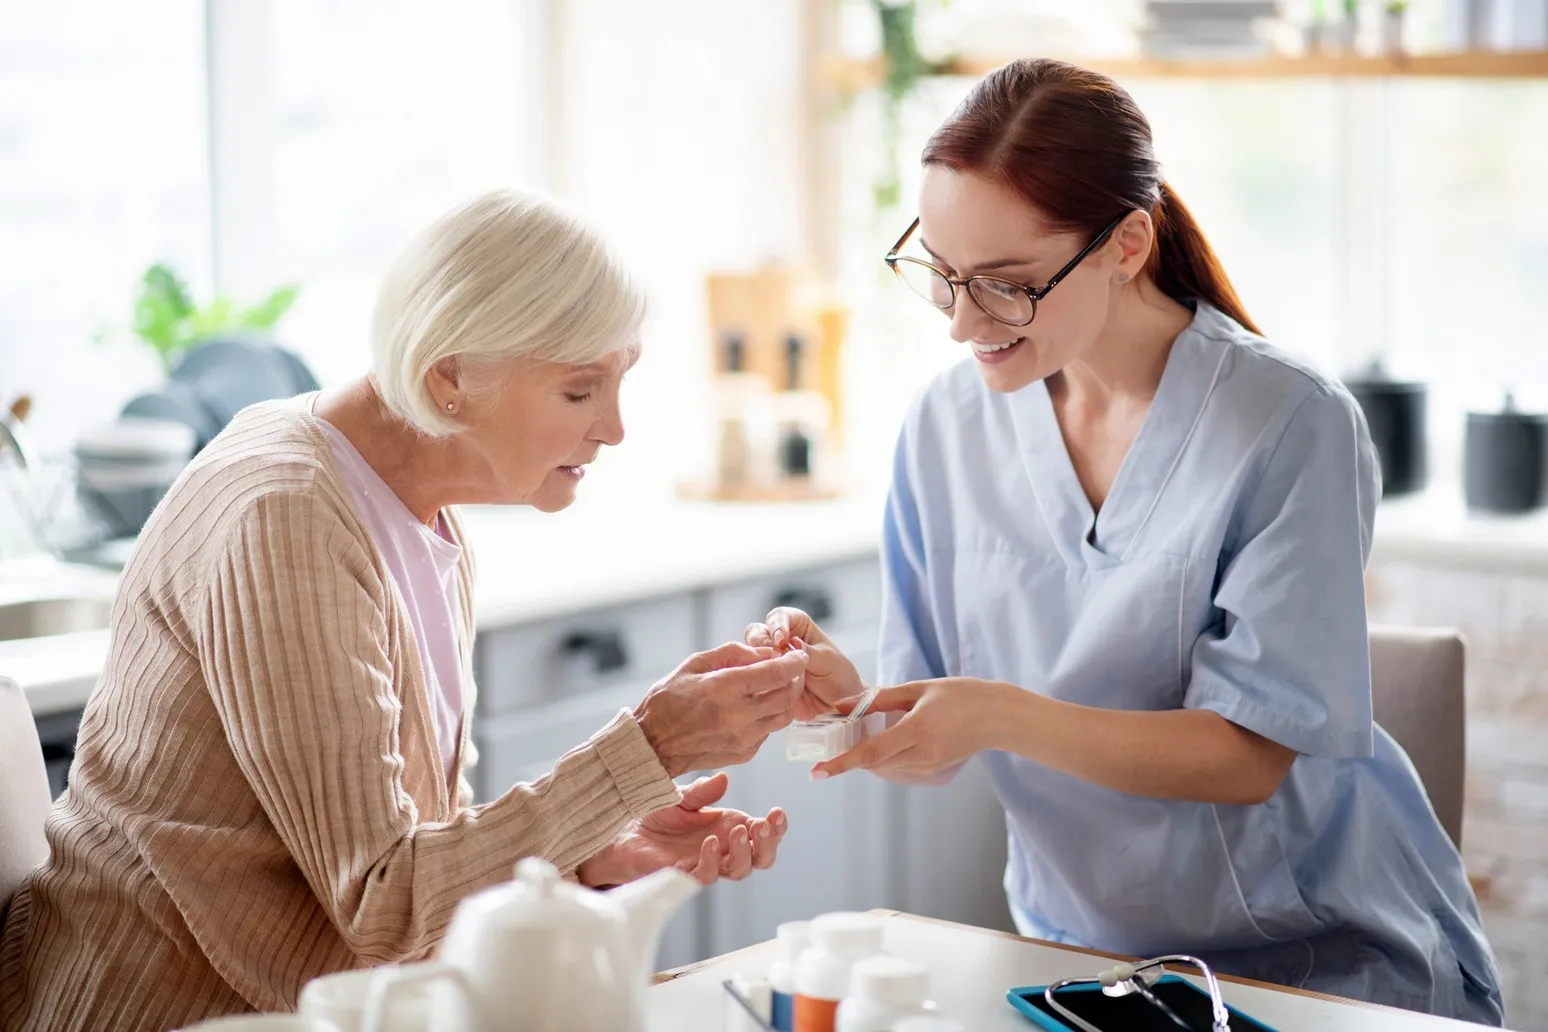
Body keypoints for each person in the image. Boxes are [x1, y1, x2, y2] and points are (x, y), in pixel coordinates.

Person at [746, 58, 1504, 1025]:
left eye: (1007, 286)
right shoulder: (945, 426)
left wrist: (997, 714)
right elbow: (932, 741)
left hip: (1313, 961)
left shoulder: (1289, 422)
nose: (963, 323)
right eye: (941, 275)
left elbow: (1249, 758)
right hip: (1074, 960)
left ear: (1127, 243)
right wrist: (851, 708)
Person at [0, 189, 808, 1032]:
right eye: (580, 392)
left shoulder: (419, 512)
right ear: (450, 379)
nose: (614, 428)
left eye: (620, 382)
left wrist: (593, 853)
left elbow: (417, 855)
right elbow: (384, 901)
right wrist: (650, 745)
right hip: (158, 1013)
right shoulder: (288, 514)